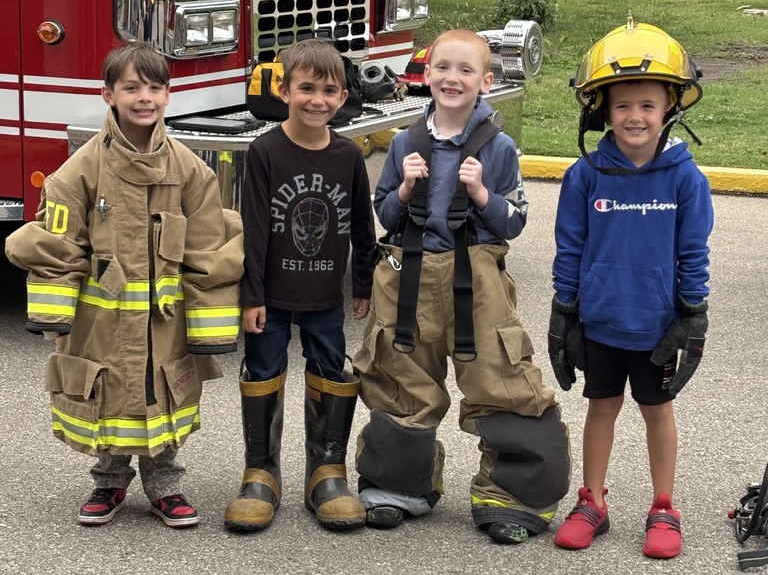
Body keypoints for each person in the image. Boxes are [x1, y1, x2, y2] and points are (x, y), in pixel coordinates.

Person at [5, 43, 243, 527]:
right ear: (107, 94)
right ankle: (109, 481)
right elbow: (57, 244)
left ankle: (165, 484)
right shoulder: (80, 170)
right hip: (102, 321)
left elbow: (208, 252)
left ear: (168, 96)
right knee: (109, 397)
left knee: (163, 394)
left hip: (166, 321)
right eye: (131, 87)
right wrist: (54, 316)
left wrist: (209, 327)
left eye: (155, 87)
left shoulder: (190, 170)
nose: (144, 97)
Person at [352, 28, 571, 543]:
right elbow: (384, 213)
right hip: (409, 277)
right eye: (442, 68)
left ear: (486, 81)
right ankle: (397, 487)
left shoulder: (498, 147)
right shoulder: (405, 141)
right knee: (398, 374)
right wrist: (405, 186)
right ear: (424, 76)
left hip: (476, 275)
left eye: (466, 70)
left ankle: (513, 496)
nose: (453, 78)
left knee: (502, 377)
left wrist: (479, 193)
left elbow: (513, 222)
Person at [549, 16, 714, 559]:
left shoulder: (685, 178)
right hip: (600, 319)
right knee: (601, 407)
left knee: (657, 412)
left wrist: (693, 312)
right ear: (603, 110)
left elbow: (694, 251)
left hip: (659, 323)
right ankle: (592, 500)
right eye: (622, 105)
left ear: (670, 106)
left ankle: (664, 506)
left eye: (647, 104)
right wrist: (564, 307)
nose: (635, 116)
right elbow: (569, 247)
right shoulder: (587, 174)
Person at [225, 39, 377, 534]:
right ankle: (261, 474)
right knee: (264, 370)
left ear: (343, 96)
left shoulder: (349, 156)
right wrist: (251, 296)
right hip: (270, 296)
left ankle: (326, 474)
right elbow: (251, 230)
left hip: (324, 298)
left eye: (329, 90)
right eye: (306, 88)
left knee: (331, 370)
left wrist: (363, 284)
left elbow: (361, 224)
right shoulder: (265, 151)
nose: (317, 100)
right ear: (284, 90)